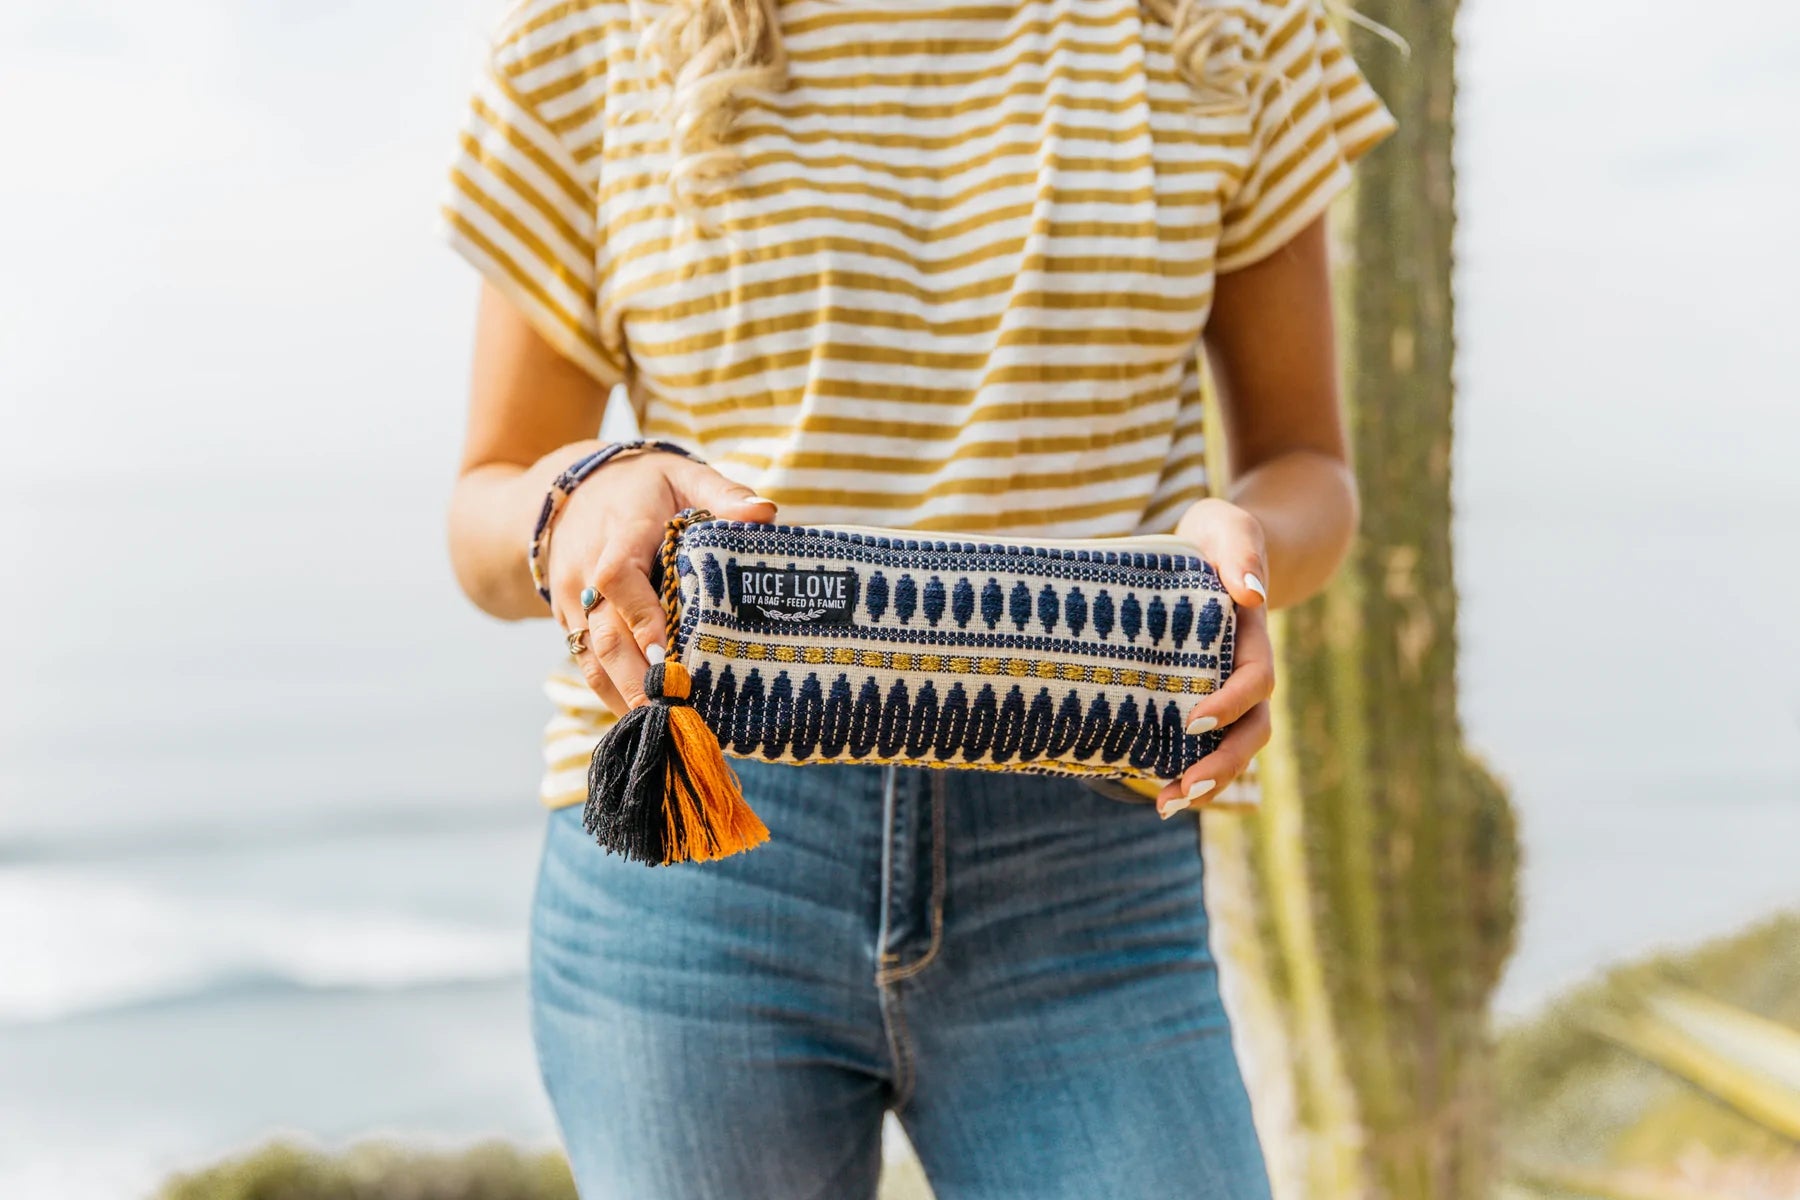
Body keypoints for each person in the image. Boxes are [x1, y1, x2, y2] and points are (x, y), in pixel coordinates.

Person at [441, 0, 1392, 1193]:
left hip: (1087, 848)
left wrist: (1242, 564)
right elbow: (483, 517)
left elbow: (1309, 466)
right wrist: (576, 499)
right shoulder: (589, 31)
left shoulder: (1227, 27)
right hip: (700, 842)